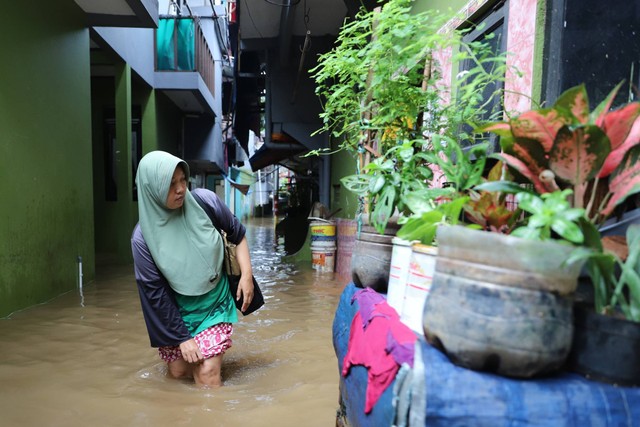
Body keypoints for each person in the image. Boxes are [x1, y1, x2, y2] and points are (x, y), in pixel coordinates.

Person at [131, 150, 254, 387]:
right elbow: (154, 294)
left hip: (214, 303)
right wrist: (182, 338)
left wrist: (246, 276)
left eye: (182, 180)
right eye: (170, 184)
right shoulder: (142, 240)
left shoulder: (205, 202)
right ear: (151, 189)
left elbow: (238, 235)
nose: (180, 189)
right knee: (179, 374)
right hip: (176, 311)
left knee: (206, 373)